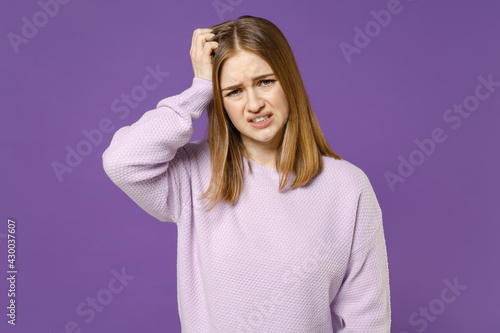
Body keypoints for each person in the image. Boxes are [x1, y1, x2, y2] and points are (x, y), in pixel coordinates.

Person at [102, 15, 391, 333]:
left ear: (288, 81)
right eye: (234, 91)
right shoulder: (195, 176)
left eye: (265, 82)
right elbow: (121, 161)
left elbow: (368, 321)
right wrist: (198, 90)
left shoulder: (346, 187)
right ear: (219, 101)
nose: (254, 104)